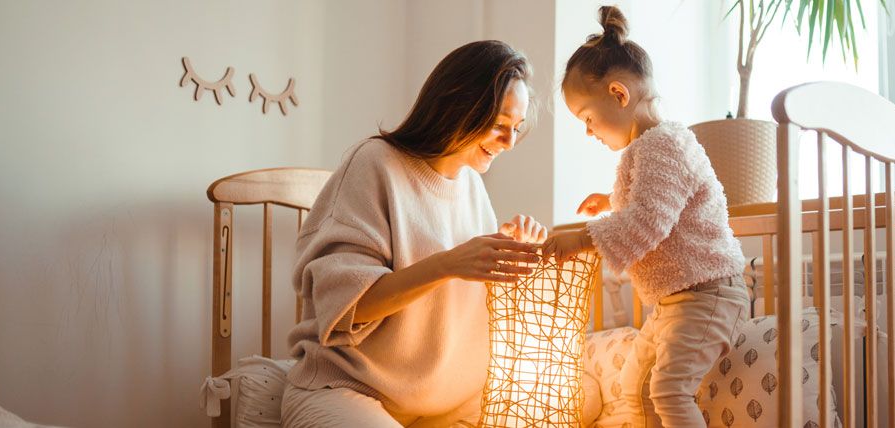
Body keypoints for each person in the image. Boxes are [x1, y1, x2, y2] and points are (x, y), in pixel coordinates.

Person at [282, 40, 547, 428]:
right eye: (499, 125)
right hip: (350, 389)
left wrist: (509, 247)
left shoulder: (472, 185)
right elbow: (345, 307)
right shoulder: (376, 164)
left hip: (447, 405)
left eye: (516, 129)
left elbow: (469, 306)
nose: (509, 143)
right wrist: (448, 263)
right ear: (460, 107)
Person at [540, 7, 750, 428]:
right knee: (636, 385)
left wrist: (583, 238)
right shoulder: (650, 148)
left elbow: (650, 222)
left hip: (707, 293)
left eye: (587, 118)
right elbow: (656, 205)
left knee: (669, 390)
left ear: (619, 95)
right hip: (678, 298)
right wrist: (613, 200)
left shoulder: (663, 144)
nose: (588, 131)